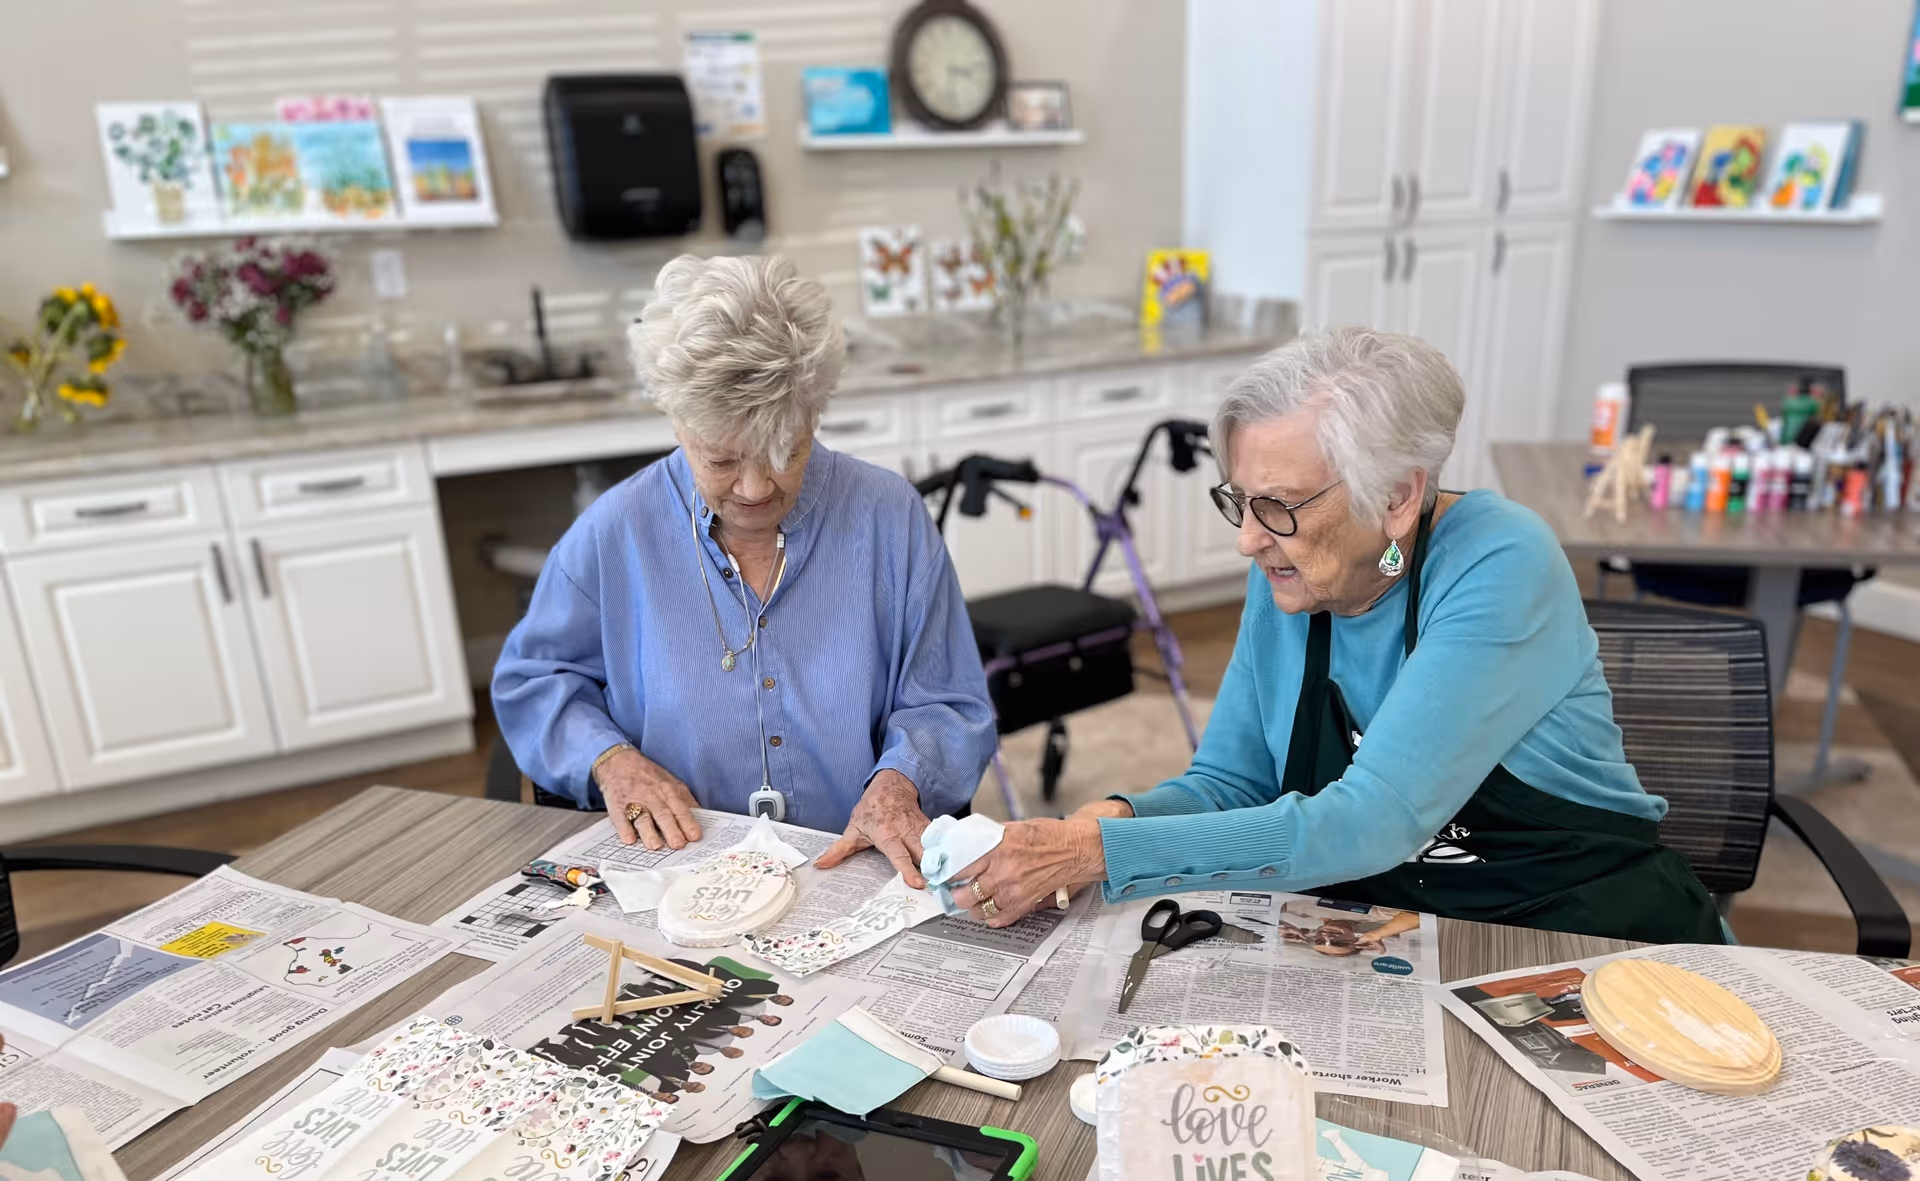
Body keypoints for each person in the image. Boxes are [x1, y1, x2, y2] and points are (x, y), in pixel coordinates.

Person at [946, 328, 1720, 944]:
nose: (1249, 541)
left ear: (1396, 496)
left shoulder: (1500, 559)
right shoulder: (1293, 568)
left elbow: (1372, 820)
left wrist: (1100, 858)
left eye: (1280, 507)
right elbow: (1233, 784)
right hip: (1393, 928)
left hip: (1573, 926)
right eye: (1240, 503)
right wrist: (1105, 821)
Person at [492, 254, 996, 884]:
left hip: (851, 862)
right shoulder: (616, 530)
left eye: (784, 452)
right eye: (722, 460)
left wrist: (900, 781)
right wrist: (613, 760)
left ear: (815, 413)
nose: (755, 487)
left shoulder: (889, 518)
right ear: (680, 425)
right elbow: (535, 682)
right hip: (680, 873)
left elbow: (948, 702)